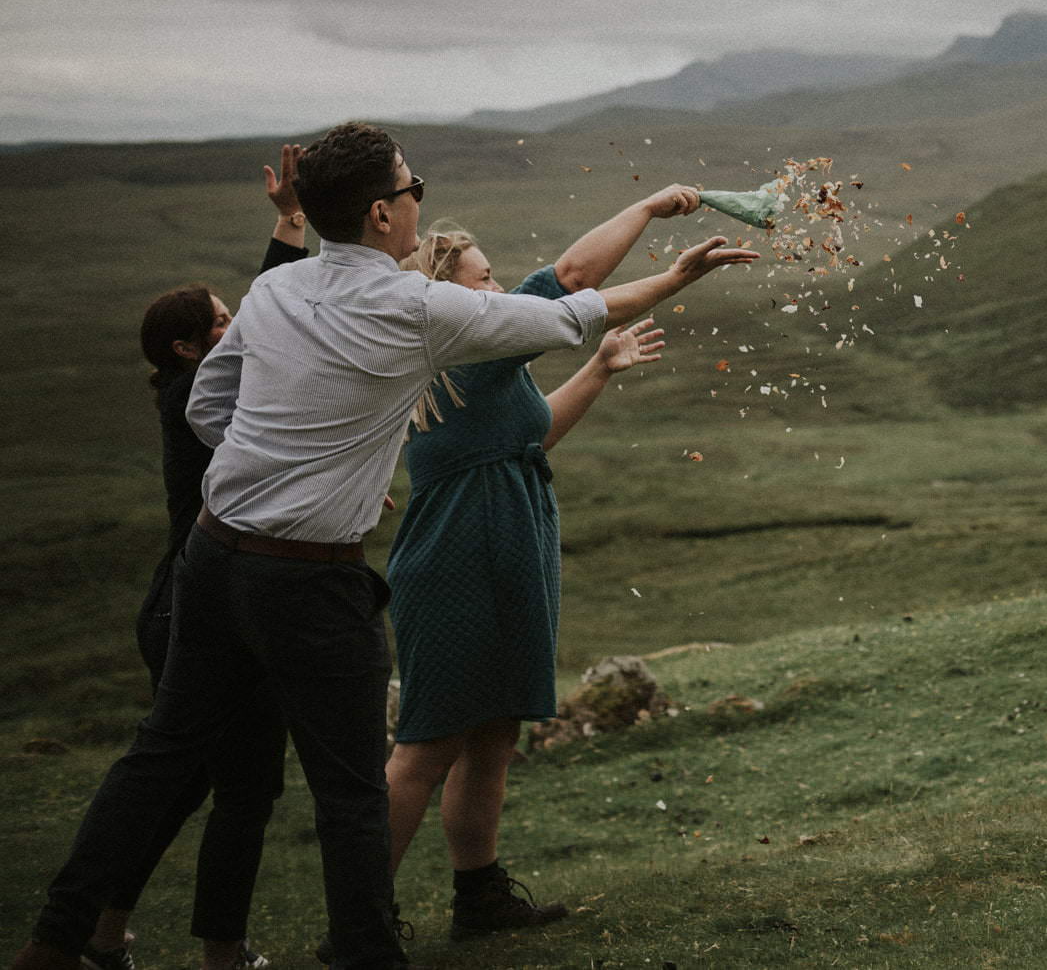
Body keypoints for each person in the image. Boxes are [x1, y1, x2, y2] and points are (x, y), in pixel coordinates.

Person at [10, 122, 756, 970]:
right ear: (380, 213)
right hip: (307, 576)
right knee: (351, 790)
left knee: (159, 752)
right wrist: (677, 275)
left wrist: (295, 465)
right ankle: (365, 956)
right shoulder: (414, 305)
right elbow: (565, 312)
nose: (416, 202)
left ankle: (53, 943)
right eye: (413, 190)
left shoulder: (276, 293)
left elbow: (206, 409)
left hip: (214, 557)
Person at [382, 186, 737, 941]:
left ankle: (478, 898)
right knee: (431, 741)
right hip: (459, 555)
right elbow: (572, 276)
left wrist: (601, 369)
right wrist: (652, 219)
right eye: (483, 278)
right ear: (447, 292)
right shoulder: (463, 348)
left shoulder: (485, 366)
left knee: (491, 734)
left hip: (501, 545)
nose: (499, 289)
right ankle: (361, 914)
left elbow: (528, 437)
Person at [101, 148, 309, 970]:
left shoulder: (186, 391)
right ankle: (223, 952)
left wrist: (290, 218)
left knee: (186, 780)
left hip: (179, 603)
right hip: (211, 606)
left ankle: (102, 927)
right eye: (218, 323)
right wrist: (290, 225)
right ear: (190, 350)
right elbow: (268, 320)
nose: (234, 328)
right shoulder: (199, 395)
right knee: (248, 787)